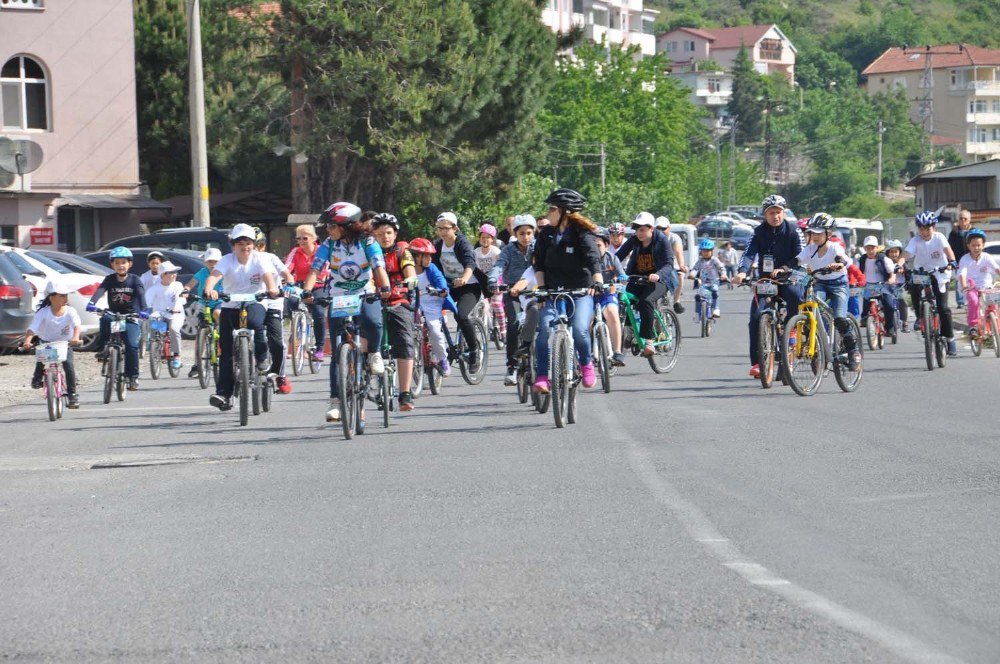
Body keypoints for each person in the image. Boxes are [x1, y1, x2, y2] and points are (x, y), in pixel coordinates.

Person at [301, 203, 390, 425]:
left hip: (363, 292)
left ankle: (374, 353)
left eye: (332, 226)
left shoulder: (367, 242)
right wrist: (307, 290)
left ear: (347, 226)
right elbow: (315, 269)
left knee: (372, 321)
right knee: (339, 346)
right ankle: (335, 402)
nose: (328, 230)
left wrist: (385, 287)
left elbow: (379, 267)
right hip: (339, 296)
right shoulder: (329, 244)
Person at [532, 188, 604, 392]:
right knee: (544, 329)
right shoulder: (546, 234)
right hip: (553, 292)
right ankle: (543, 376)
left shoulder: (582, 233)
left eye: (552, 209)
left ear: (565, 211)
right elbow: (539, 264)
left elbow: (593, 259)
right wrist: (542, 288)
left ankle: (586, 365)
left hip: (581, 291)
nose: (548, 212)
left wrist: (597, 281)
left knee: (581, 329)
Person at [204, 224, 280, 411]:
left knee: (255, 323)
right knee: (227, 350)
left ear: (253, 244)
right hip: (230, 304)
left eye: (248, 242)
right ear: (233, 245)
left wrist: (272, 289)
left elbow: (268, 276)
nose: (244, 246)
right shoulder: (226, 260)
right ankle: (223, 393)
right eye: (240, 243)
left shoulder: (260, 259)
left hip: (255, 302)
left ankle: (262, 356)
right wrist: (209, 288)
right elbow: (215, 276)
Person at [732, 194, 803, 378]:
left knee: (795, 294)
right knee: (756, 318)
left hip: (788, 277)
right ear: (765, 214)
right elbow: (748, 254)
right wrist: (742, 271)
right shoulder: (757, 232)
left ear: (783, 212)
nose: (775, 216)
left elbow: (801, 256)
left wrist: (785, 269)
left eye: (778, 212)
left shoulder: (794, 231)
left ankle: (791, 327)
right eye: (771, 212)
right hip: (766, 281)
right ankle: (757, 363)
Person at [779, 213, 860, 369]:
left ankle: (853, 351)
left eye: (818, 233)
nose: (814, 236)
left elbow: (842, 259)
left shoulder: (835, 247)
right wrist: (782, 269)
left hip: (839, 284)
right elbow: (796, 260)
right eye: (812, 232)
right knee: (812, 311)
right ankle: (818, 346)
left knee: (840, 318)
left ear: (828, 234)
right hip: (820, 283)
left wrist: (838, 265)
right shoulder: (810, 249)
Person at [371, 213, 418, 411]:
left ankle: (405, 393)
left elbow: (409, 268)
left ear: (395, 233)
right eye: (380, 233)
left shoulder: (402, 250)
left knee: (405, 340)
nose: (385, 237)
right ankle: (366, 383)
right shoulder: (368, 251)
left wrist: (411, 279)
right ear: (373, 234)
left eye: (389, 233)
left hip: (398, 299)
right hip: (372, 299)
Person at [86, 246, 147, 391]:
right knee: (105, 320)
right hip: (114, 315)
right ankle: (102, 349)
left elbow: (141, 295)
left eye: (124, 262)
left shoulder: (134, 280)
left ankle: (132, 377)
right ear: (112, 264)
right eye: (117, 262)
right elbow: (100, 291)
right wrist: (92, 303)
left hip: (130, 316)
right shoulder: (109, 279)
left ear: (130, 264)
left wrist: (144, 310)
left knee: (132, 345)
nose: (120, 265)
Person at [615, 212, 674, 357]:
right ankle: (629, 331)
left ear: (651, 228)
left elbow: (669, 263)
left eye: (642, 229)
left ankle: (649, 341)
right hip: (637, 278)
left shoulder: (661, 240)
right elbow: (617, 256)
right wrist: (608, 268)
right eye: (636, 229)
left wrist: (658, 274)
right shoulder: (634, 240)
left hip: (659, 281)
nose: (639, 233)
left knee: (645, 302)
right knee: (624, 298)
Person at [432, 212, 483, 373]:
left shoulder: (462, 243)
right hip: (448, 286)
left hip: (469, 286)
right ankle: (446, 349)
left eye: (445, 229)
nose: (442, 232)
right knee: (431, 314)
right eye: (439, 229)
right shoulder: (438, 245)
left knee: (460, 315)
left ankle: (474, 351)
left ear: (455, 228)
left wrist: (464, 279)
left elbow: (470, 262)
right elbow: (433, 267)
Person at [903, 210, 959, 357]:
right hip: (922, 272)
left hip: (939, 273)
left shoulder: (939, 238)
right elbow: (906, 254)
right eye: (921, 228)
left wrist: (952, 261)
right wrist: (899, 264)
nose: (925, 232)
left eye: (928, 228)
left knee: (943, 307)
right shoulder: (915, 240)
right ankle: (919, 317)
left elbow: (948, 250)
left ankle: (950, 338)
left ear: (934, 227)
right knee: (914, 288)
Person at [491, 214, 536, 385]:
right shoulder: (508, 250)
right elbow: (499, 266)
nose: (526, 237)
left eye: (529, 233)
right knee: (514, 323)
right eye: (522, 233)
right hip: (513, 293)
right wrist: (493, 279)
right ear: (515, 234)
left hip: (535, 293)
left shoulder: (538, 247)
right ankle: (512, 365)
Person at [21, 280, 81, 409]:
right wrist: (27, 341)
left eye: (66, 295)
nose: (65, 298)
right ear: (51, 297)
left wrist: (75, 338)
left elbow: (77, 325)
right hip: (47, 342)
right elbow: (32, 328)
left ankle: (72, 394)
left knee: (68, 365)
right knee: (41, 357)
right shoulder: (43, 312)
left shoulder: (70, 311)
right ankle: (37, 377)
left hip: (65, 343)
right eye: (62, 295)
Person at [254, 227, 295, 394]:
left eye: (257, 245)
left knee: (277, 341)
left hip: (272, 302)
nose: (252, 249)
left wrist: (290, 284)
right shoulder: (240, 260)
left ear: (262, 246)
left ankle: (281, 375)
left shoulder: (271, 258)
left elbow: (286, 273)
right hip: (253, 302)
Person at [410, 237, 458, 377]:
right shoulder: (407, 269)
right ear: (416, 257)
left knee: (435, 331)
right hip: (413, 304)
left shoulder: (431, 268)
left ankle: (443, 359)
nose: (430, 259)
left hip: (432, 302)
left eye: (430, 255)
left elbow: (440, 280)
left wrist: (442, 289)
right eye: (426, 256)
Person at [284, 223, 330, 361]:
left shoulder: (321, 250)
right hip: (299, 285)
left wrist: (316, 283)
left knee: (319, 313)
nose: (301, 242)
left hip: (318, 284)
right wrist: (286, 279)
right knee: (290, 303)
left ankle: (319, 348)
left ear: (313, 238)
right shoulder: (295, 252)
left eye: (305, 238)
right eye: (299, 239)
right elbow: (287, 267)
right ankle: (296, 336)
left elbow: (326, 268)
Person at [184, 248, 223, 378]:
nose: (212, 264)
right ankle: (197, 364)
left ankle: (222, 334)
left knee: (218, 313)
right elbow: (191, 283)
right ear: (205, 262)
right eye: (210, 261)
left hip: (220, 302)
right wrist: (186, 290)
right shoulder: (202, 272)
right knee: (199, 334)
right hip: (204, 303)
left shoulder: (222, 273)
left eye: (215, 261)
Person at [145, 260, 186, 372]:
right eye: (171, 272)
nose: (174, 275)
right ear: (163, 275)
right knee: (153, 320)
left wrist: (177, 307)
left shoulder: (177, 285)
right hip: (161, 314)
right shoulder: (155, 288)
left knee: (173, 329)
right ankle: (154, 343)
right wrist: (146, 311)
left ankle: (177, 355)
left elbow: (180, 298)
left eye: (175, 272)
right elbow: (147, 301)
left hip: (175, 314)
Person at [958, 228, 1000, 336]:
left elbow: (996, 269)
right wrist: (964, 286)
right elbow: (962, 273)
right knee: (974, 301)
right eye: (973, 245)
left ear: (983, 245)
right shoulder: (965, 259)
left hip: (987, 287)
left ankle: (995, 326)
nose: (976, 248)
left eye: (978, 245)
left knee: (994, 304)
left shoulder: (987, 257)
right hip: (971, 287)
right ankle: (973, 326)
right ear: (968, 246)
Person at [594, 228, 627, 366]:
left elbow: (622, 276)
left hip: (608, 293)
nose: (595, 249)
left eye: (598, 245)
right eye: (592, 246)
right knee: (586, 320)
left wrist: (623, 279)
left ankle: (618, 352)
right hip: (589, 295)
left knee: (613, 314)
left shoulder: (612, 258)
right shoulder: (585, 259)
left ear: (606, 245)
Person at [858, 236, 898, 335]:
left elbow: (892, 271)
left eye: (872, 248)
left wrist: (891, 279)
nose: (870, 250)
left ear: (877, 248)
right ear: (864, 248)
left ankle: (890, 328)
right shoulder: (862, 259)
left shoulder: (883, 258)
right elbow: (857, 272)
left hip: (883, 285)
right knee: (866, 305)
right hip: (869, 286)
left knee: (889, 306)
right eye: (868, 248)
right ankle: (865, 319)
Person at [475, 223, 506, 350]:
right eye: (483, 237)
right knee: (478, 304)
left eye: (488, 237)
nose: (485, 240)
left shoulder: (496, 251)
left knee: (497, 304)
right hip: (481, 282)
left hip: (496, 281)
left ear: (492, 239)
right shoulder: (475, 252)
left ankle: (503, 330)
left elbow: (502, 267)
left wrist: (499, 283)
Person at [689, 238, 728, 319]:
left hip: (714, 281)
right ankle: (697, 314)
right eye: (704, 251)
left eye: (708, 251)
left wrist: (723, 275)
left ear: (712, 251)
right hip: (703, 282)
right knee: (698, 296)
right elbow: (695, 269)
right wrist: (692, 275)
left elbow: (721, 268)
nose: (706, 253)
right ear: (701, 252)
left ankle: (716, 309)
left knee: (714, 290)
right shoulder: (700, 261)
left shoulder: (714, 260)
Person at [655, 215, 687, 312]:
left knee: (680, 276)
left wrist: (681, 265)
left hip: (672, 264)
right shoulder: (652, 238)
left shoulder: (674, 238)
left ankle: (676, 302)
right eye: (658, 228)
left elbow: (678, 252)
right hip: (657, 265)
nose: (661, 231)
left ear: (669, 228)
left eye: (663, 228)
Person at [948, 209, 972, 309]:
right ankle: (960, 301)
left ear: (969, 220)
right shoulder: (954, 233)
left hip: (971, 259)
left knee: (971, 279)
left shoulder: (973, 231)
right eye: (961, 218)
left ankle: (971, 299)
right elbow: (949, 247)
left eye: (965, 218)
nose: (963, 220)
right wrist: (951, 260)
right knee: (959, 280)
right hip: (958, 260)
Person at [885, 240, 909, 332]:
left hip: (899, 285)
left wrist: (903, 271)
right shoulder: (886, 262)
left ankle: (905, 322)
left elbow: (908, 274)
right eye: (891, 252)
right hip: (888, 286)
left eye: (896, 252)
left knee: (902, 300)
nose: (893, 254)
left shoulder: (902, 263)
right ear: (888, 253)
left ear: (899, 252)